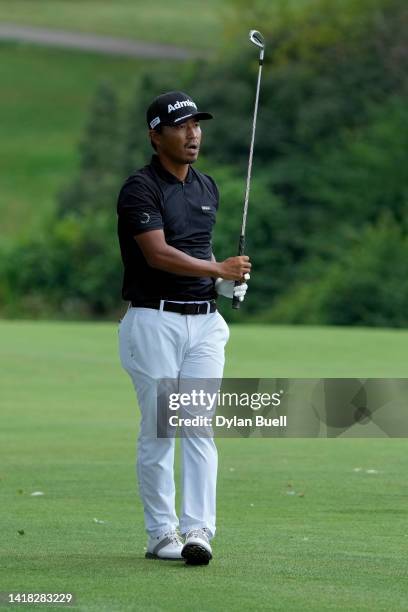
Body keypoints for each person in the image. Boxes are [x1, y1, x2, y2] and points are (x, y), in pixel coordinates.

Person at [116, 91, 251, 565]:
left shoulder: (206, 186)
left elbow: (199, 248)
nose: (193, 134)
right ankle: (161, 534)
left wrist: (226, 279)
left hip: (204, 324)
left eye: (197, 124)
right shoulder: (140, 188)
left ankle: (198, 530)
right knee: (161, 430)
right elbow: (158, 253)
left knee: (197, 427)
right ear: (156, 136)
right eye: (181, 126)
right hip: (153, 320)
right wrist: (218, 272)